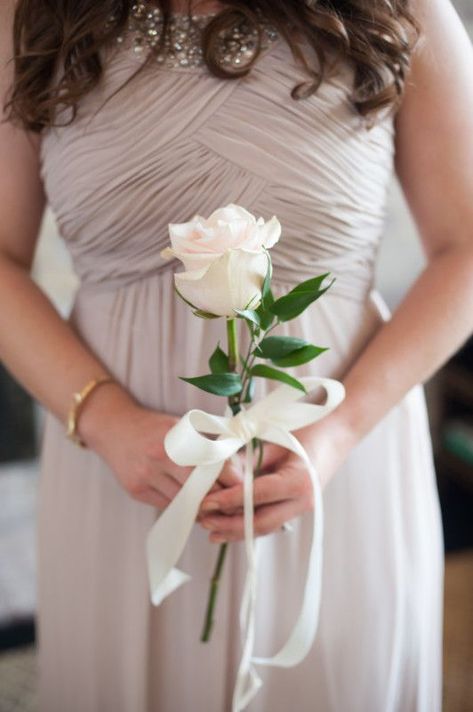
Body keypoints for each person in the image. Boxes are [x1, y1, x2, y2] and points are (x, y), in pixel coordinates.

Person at [1, 0, 472, 709]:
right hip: (114, 466)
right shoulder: (27, 14)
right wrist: (105, 420)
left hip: (336, 453)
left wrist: (338, 431)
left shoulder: (400, 8)